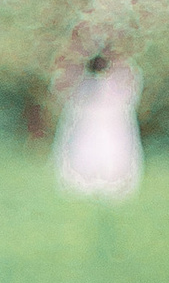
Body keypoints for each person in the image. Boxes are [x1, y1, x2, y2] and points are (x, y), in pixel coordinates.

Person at [54, 47, 144, 201]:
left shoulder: (92, 85)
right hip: (95, 126)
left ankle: (105, 182)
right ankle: (91, 183)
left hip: (102, 126)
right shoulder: (92, 85)